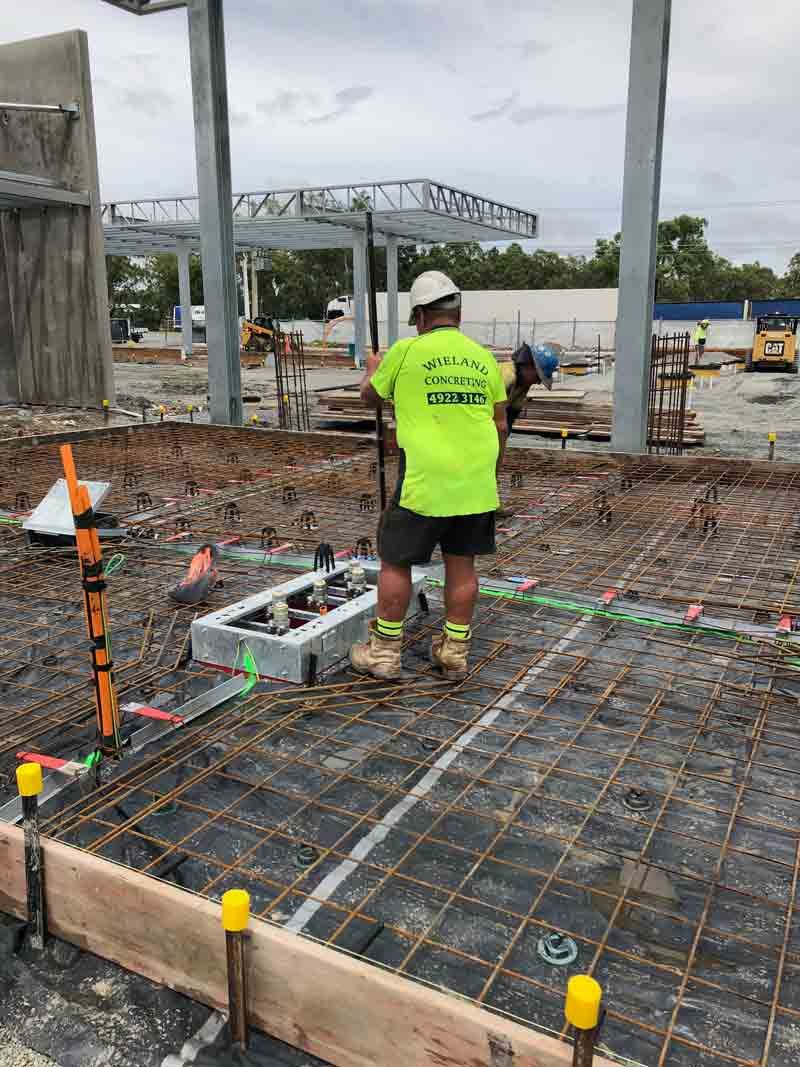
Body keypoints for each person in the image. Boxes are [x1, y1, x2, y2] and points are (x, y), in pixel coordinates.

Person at [349, 270, 507, 681]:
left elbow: (369, 396)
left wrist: (371, 368)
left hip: (425, 482)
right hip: (475, 482)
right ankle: (454, 652)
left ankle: (384, 653)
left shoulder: (405, 352)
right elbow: (501, 425)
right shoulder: (483, 357)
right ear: (456, 313)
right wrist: (488, 472)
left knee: (396, 563)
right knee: (462, 566)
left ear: (420, 316)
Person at [496, 342, 559, 516]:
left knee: (491, 462)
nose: (539, 381)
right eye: (538, 375)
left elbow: (510, 416)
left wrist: (501, 444)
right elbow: (493, 417)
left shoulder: (522, 383)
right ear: (528, 365)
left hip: (491, 423)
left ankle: (491, 505)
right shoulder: (506, 376)